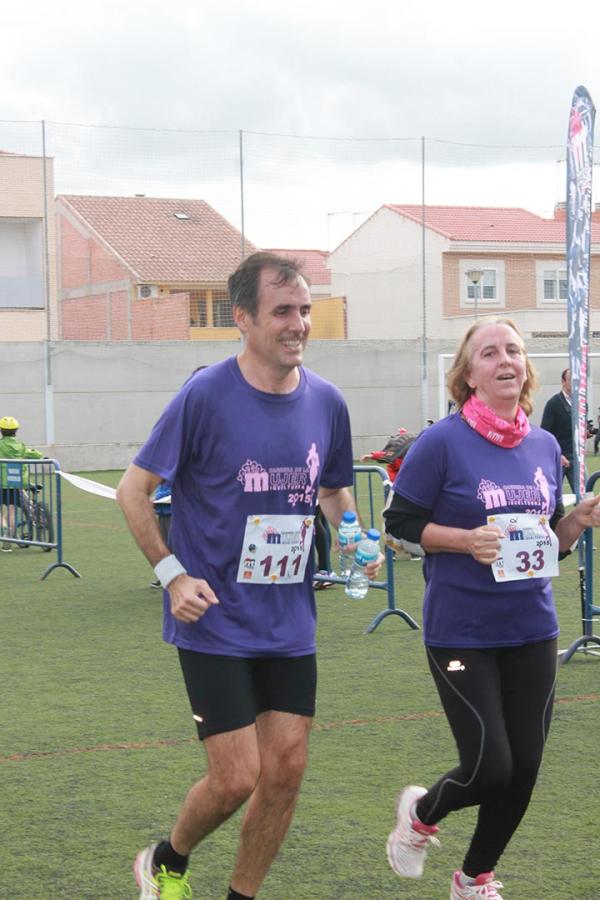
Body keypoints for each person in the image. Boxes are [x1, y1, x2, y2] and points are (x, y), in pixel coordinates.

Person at [116, 251, 382, 900]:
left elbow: (333, 492)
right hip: (213, 618)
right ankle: (168, 859)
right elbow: (133, 489)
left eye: (305, 311)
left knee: (285, 774)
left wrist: (354, 537)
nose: (298, 325)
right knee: (236, 777)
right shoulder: (205, 394)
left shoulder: (327, 401)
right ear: (242, 319)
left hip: (290, 620)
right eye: (282, 311)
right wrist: (173, 575)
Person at [382, 316, 600, 899]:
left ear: (524, 366)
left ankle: (473, 878)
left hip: (531, 628)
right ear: (469, 375)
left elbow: (542, 543)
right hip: (462, 632)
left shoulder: (544, 445)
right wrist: (463, 539)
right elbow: (399, 524)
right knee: (490, 766)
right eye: (489, 353)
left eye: (513, 350)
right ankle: (421, 814)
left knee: (524, 768)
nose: (505, 360)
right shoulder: (441, 442)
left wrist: (572, 523)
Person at [0, 416, 43, 552]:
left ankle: (4, 528)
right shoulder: (20, 446)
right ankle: (9, 542)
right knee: (12, 512)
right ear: (16, 431)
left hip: (1, 483)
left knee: (2, 514)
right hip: (15, 483)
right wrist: (41, 456)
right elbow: (33, 454)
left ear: (1, 431)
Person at [540, 368, 576, 491]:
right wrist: (558, 455)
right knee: (552, 496)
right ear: (563, 381)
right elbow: (544, 433)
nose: (575, 383)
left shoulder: (582, 404)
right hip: (558, 458)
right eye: (571, 380)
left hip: (577, 458)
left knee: (585, 496)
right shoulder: (553, 403)